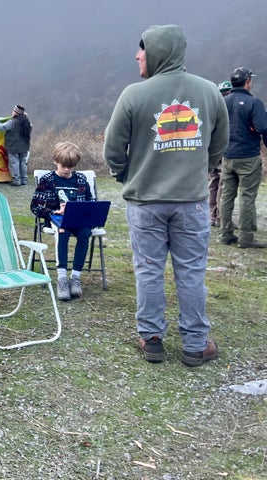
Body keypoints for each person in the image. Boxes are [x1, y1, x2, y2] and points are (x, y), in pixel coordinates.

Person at [104, 25, 229, 367]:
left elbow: (112, 148)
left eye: (141, 49)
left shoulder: (133, 95)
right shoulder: (209, 92)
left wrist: (125, 174)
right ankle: (195, 344)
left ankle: (152, 338)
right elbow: (219, 143)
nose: (137, 56)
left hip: (145, 202)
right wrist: (200, 170)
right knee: (191, 272)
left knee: (148, 270)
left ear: (157, 51)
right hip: (191, 201)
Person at [30, 142, 93, 301]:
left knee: (86, 232)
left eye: (71, 166)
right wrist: (53, 212)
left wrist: (80, 210)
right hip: (56, 219)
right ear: (56, 161)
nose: (67, 169)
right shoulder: (47, 180)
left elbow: (90, 201)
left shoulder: (80, 179)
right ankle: (62, 278)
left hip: (78, 219)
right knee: (62, 231)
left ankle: (76, 277)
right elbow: (35, 206)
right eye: (64, 165)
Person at [218, 67, 267, 248]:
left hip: (228, 156)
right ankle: (246, 239)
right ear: (247, 81)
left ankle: (225, 234)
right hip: (248, 156)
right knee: (247, 197)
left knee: (226, 196)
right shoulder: (254, 103)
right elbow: (262, 127)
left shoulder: (223, 101)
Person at [208, 81, 233, 227]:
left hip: (212, 150)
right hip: (225, 150)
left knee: (213, 183)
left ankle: (212, 215)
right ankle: (220, 217)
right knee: (223, 184)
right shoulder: (229, 107)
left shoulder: (213, 105)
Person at [0, 105, 32, 186]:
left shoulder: (12, 122)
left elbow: (2, 127)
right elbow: (30, 127)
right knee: (23, 163)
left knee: (14, 163)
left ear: (16, 112)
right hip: (24, 146)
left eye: (14, 111)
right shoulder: (27, 122)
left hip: (14, 146)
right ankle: (24, 179)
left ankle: (16, 180)